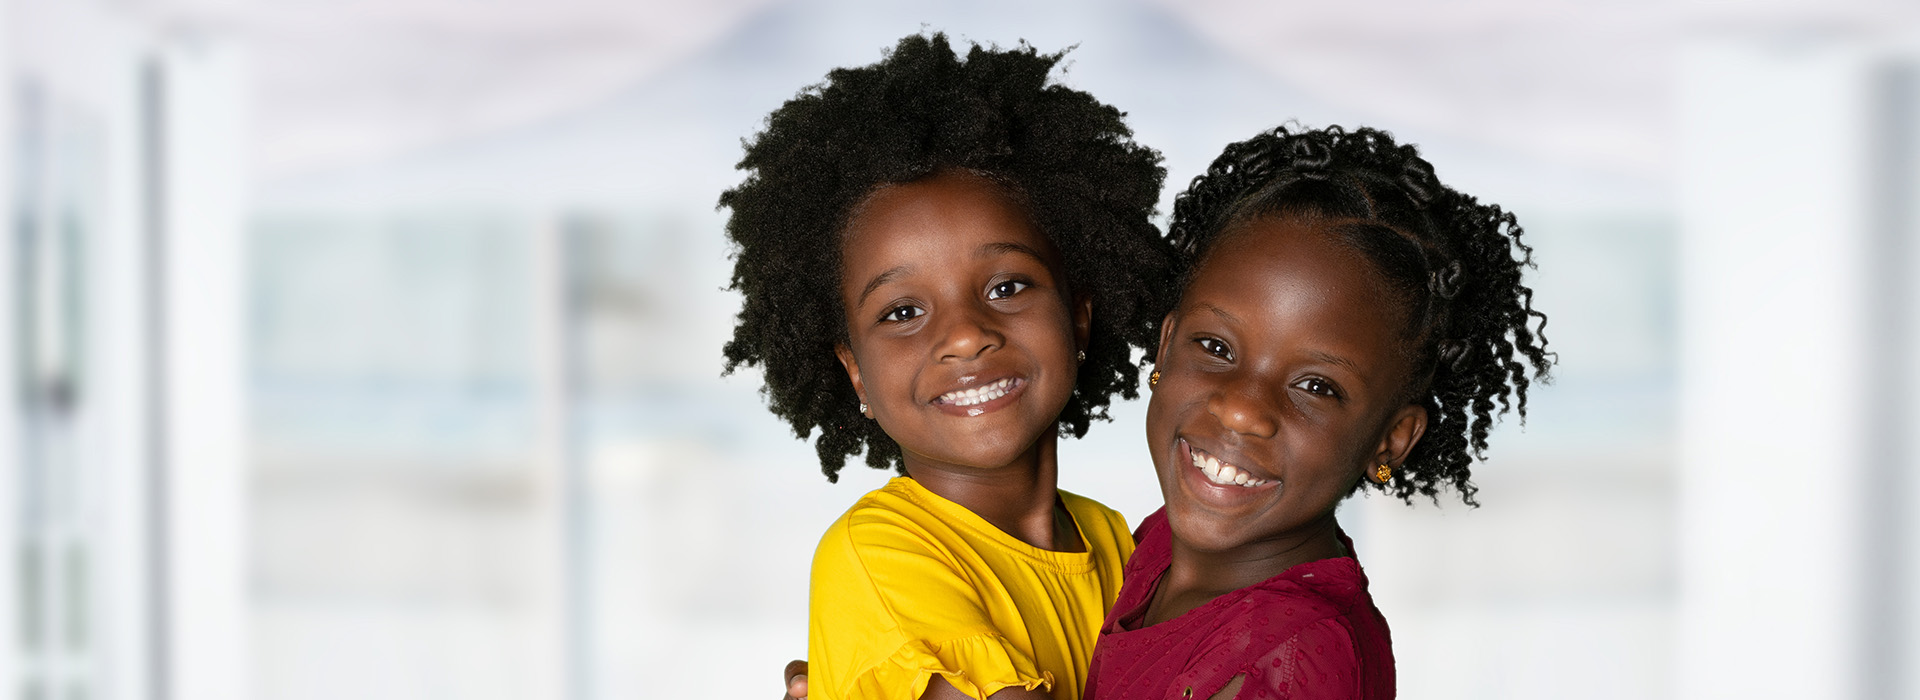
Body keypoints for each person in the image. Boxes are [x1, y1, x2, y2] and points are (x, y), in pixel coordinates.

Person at [721, 33, 1172, 700]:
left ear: (1078, 316)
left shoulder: (1116, 543)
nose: (965, 336)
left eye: (1006, 287)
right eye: (902, 312)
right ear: (854, 375)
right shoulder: (877, 554)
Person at [1082, 124, 1553, 699]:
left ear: (1391, 440)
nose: (1241, 410)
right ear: (1165, 344)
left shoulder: (1291, 658)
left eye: (1316, 385)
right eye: (1216, 347)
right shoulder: (1156, 548)